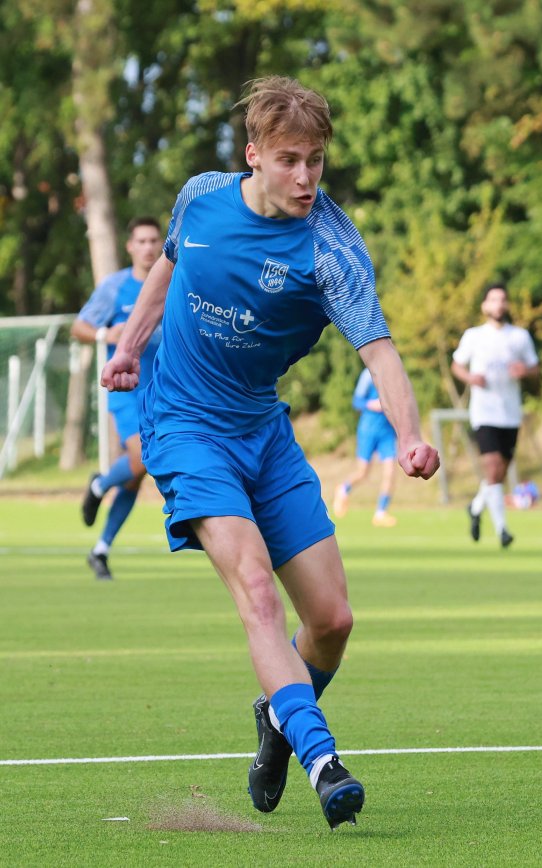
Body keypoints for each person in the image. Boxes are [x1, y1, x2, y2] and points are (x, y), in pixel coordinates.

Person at [101, 77, 440, 828]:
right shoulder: (200, 199)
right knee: (256, 591)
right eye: (289, 159)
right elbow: (167, 269)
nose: (306, 178)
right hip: (186, 430)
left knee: (333, 621)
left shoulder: (332, 251)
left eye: (316, 159)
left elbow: (380, 354)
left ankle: (277, 719)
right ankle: (323, 760)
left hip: (265, 434)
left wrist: (412, 435)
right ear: (252, 156)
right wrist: (131, 348)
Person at [71, 216, 164, 581]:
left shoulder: (170, 285)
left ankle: (101, 549)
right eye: (141, 241)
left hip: (162, 392)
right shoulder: (115, 287)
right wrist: (107, 334)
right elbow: (79, 327)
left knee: (136, 477)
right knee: (140, 459)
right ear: (129, 246)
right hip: (127, 389)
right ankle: (98, 485)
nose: (148, 247)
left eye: (154, 240)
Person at [451, 283, 540, 548]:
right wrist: (470, 377)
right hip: (484, 412)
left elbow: (535, 369)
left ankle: (476, 508)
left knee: (498, 474)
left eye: (503, 299)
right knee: (492, 468)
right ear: (485, 306)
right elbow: (457, 365)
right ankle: (503, 530)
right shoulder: (474, 336)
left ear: (507, 305)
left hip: (510, 412)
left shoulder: (519, 337)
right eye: (493, 300)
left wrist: (524, 371)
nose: (498, 304)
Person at [333, 367, 399, 527]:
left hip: (387, 432)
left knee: (391, 471)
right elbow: (357, 401)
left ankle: (380, 513)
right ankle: (342, 489)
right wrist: (373, 404)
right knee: (363, 473)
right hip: (368, 430)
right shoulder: (367, 375)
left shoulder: (395, 374)